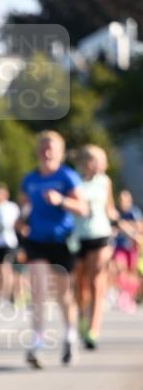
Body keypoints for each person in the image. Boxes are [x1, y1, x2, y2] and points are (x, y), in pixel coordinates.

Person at [19, 131, 87, 369]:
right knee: (37, 291)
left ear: (60, 152)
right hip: (37, 241)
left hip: (61, 241)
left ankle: (70, 337)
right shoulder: (29, 180)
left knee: (63, 294)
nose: (47, 153)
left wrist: (61, 201)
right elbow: (24, 208)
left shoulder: (67, 176)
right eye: (43, 148)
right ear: (38, 152)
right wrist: (20, 223)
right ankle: (36, 344)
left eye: (52, 148)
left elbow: (82, 208)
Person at [73, 145, 118, 349]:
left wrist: (124, 224)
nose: (98, 165)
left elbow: (110, 209)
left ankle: (93, 329)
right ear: (84, 162)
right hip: (78, 237)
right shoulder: (74, 181)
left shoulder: (104, 182)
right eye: (94, 160)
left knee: (96, 282)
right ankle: (82, 318)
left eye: (100, 161)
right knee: (80, 286)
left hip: (100, 234)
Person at [112, 190, 142, 313]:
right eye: (121, 200)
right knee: (120, 269)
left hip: (131, 247)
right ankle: (123, 294)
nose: (123, 202)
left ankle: (130, 296)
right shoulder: (117, 213)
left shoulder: (134, 212)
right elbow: (114, 227)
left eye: (125, 200)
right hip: (119, 246)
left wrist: (126, 227)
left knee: (131, 273)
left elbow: (139, 228)